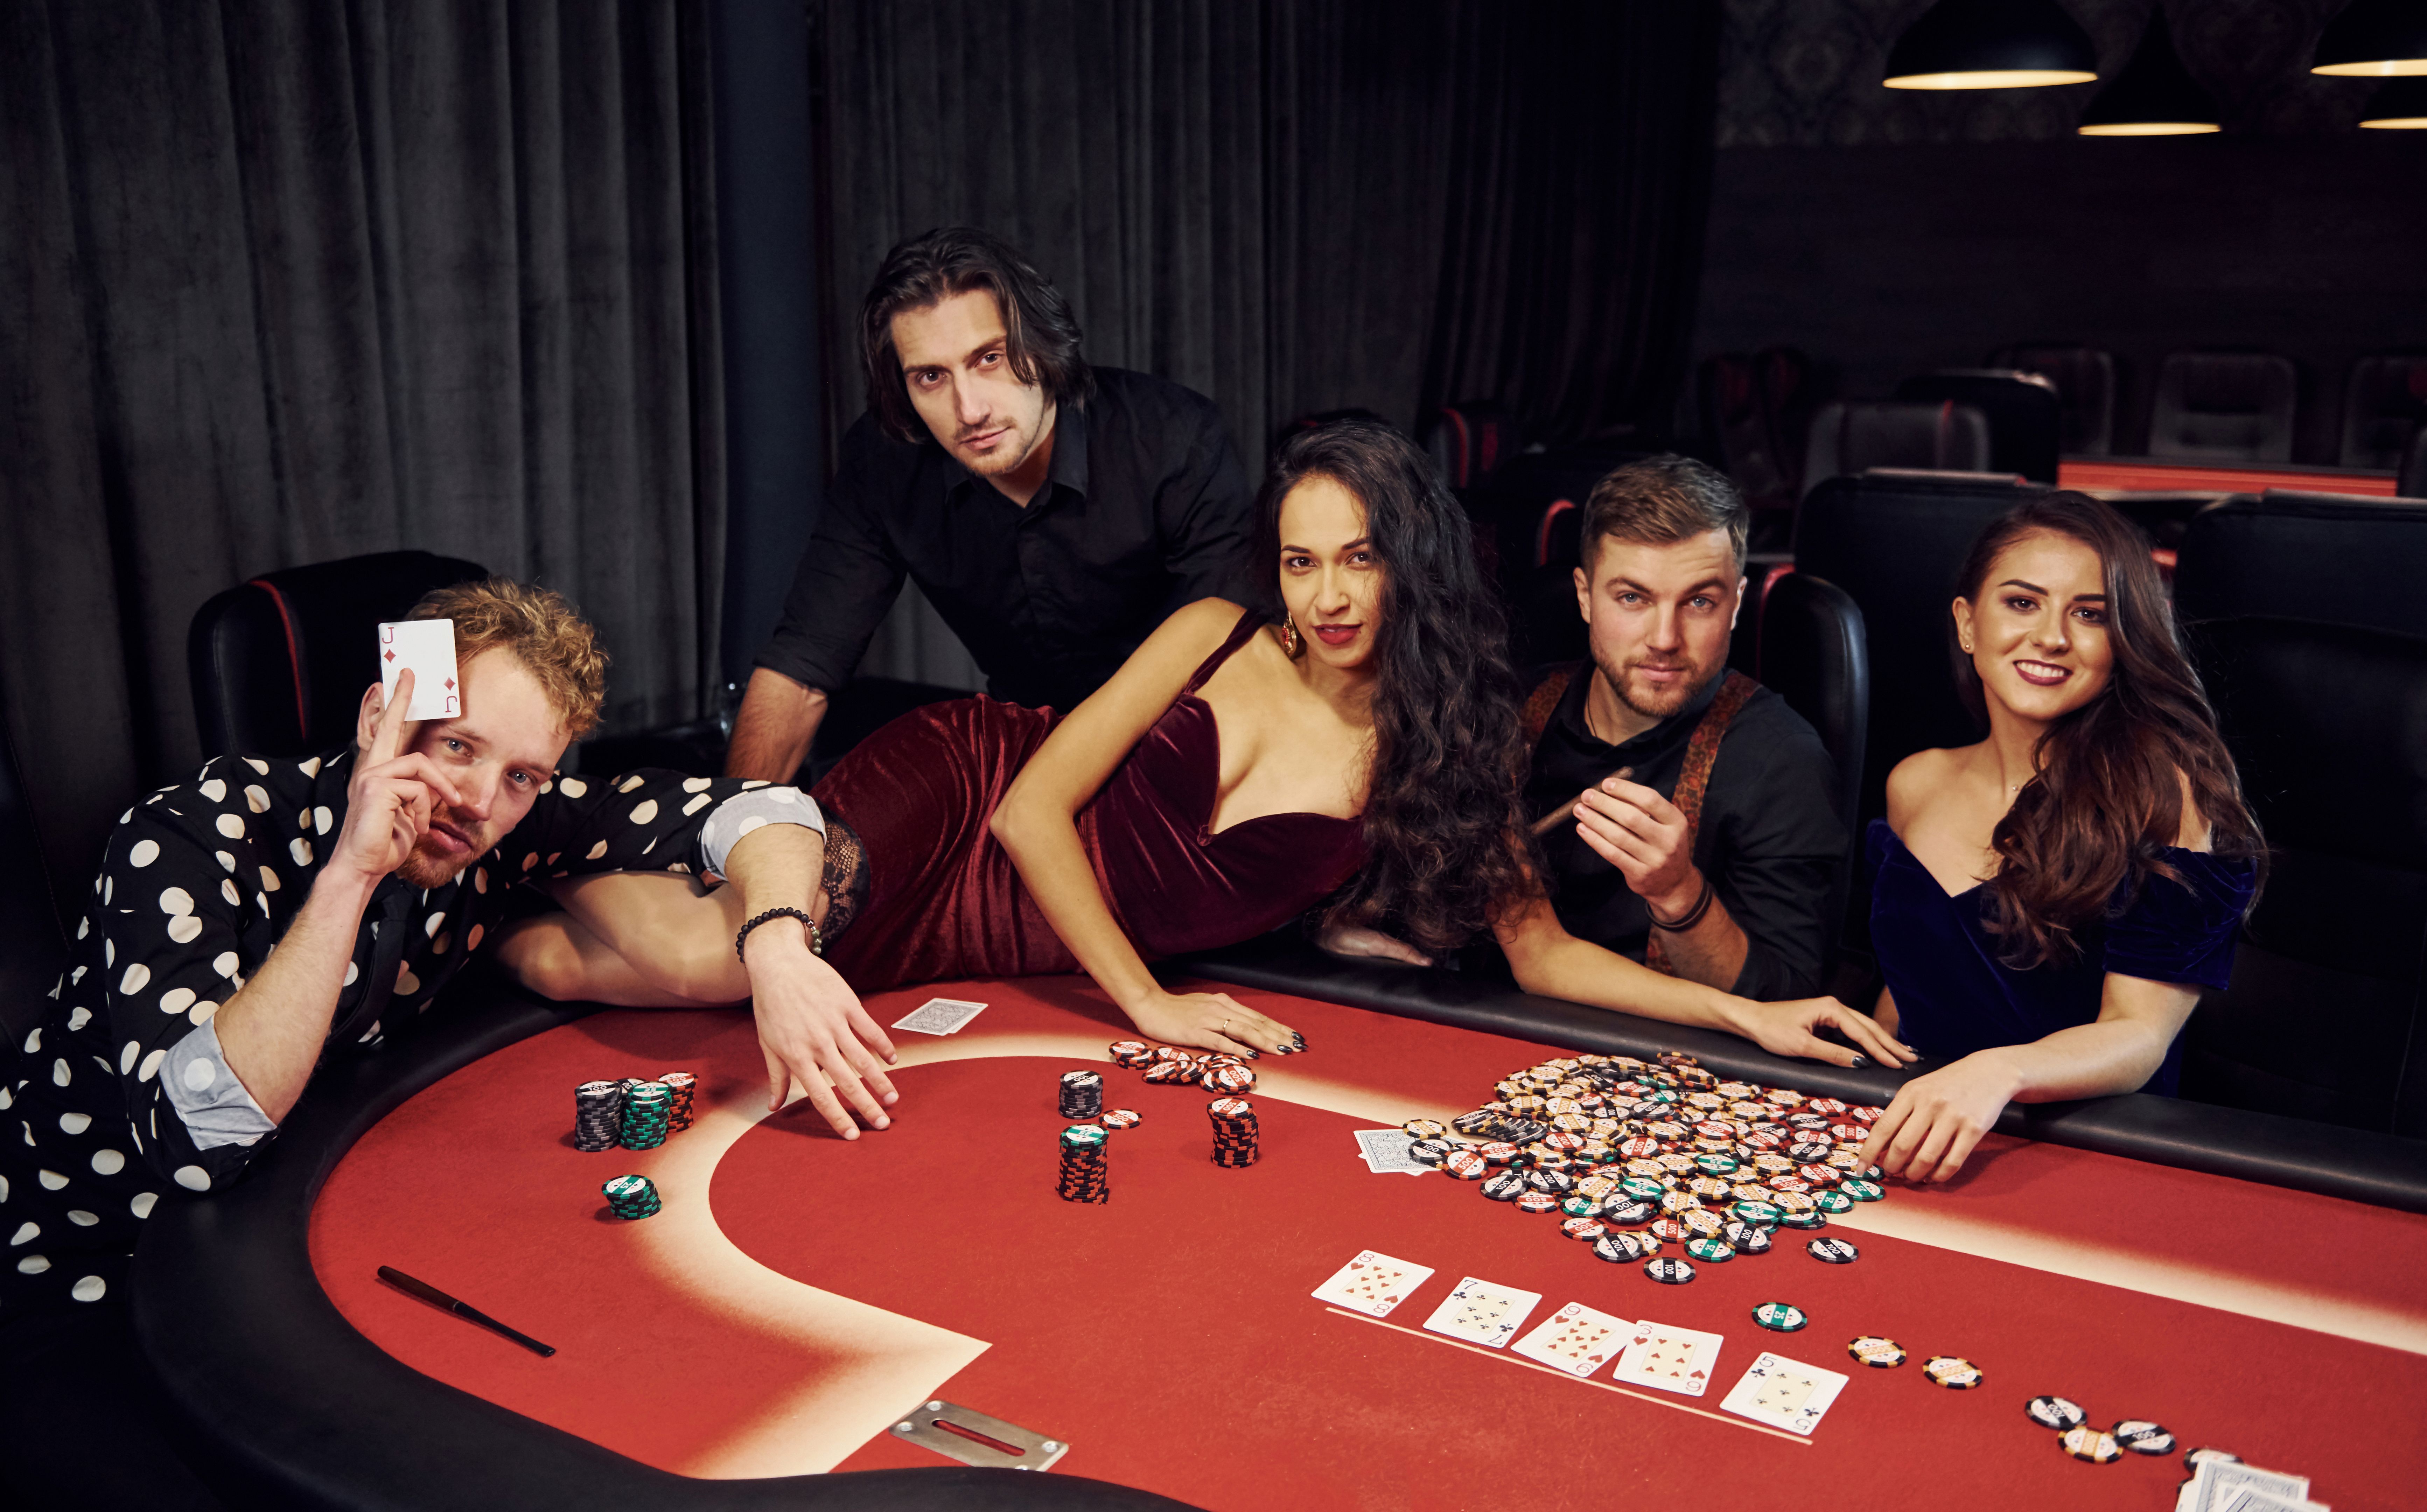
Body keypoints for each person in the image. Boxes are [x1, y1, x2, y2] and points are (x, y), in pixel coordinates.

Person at [510, 423, 1910, 1075]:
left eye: (1355, 557)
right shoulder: (1213, 629)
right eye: (1299, 561)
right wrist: (1149, 1006)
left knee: (659, 962)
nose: (1326, 596)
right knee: (712, 960)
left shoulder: (1453, 749)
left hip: (1015, 945)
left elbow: (1539, 954)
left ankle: (484, 896)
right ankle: (510, 861)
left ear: (1403, 560)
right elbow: (1033, 807)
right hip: (970, 792)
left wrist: (1739, 1013)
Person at [0, 580, 885, 1508]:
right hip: (73, 1293)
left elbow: (762, 813)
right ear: (380, 715)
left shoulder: (501, 829)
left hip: (260, 1271)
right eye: (456, 746)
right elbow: (199, 1141)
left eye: (521, 776)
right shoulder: (191, 831)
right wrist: (353, 872)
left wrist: (777, 945)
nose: (475, 800)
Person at [725, 226, 1258, 782]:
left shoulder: (1172, 437)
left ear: (1043, 343)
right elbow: (802, 668)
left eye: (989, 358)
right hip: (1022, 755)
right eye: (931, 377)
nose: (969, 409)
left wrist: (1047, 801)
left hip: (1185, 746)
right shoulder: (884, 464)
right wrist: (726, 839)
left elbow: (1221, 655)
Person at [1858, 494, 2263, 1184]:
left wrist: (1997, 1073)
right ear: (1966, 623)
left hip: (2082, 1154)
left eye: (2089, 614)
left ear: (2125, 640)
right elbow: (1910, 988)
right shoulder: (1914, 783)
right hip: (1919, 1131)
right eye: (2021, 603)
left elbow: (2139, 1036)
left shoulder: (2162, 798)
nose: (2050, 637)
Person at [1515, 456, 1845, 998]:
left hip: (1668, 1063)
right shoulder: (1505, 711)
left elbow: (1784, 1001)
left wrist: (1678, 894)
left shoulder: (1782, 759)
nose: (1664, 638)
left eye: (1698, 602)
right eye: (1632, 598)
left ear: (1735, 605)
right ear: (1583, 595)